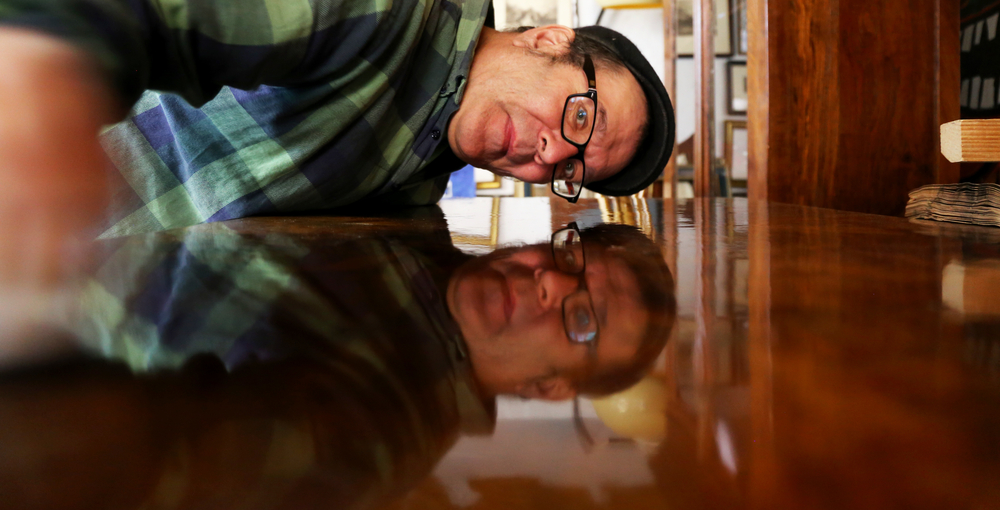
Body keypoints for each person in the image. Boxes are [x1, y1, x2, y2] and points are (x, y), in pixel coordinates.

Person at [0, 0, 674, 280]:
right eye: (580, 115)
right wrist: (36, 71)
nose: (549, 152)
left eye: (568, 169)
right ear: (549, 37)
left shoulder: (418, 180)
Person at [0, 213, 676, 509]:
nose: (553, 283)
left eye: (583, 316)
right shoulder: (418, 228)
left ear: (551, 386)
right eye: (568, 260)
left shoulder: (380, 430)